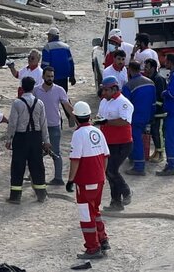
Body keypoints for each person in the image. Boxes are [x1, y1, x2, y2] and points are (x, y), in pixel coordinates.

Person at [66, 101, 110, 260]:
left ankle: (93, 247)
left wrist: (71, 180)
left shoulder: (78, 134)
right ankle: (103, 239)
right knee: (95, 210)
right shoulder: (98, 132)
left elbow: (75, 160)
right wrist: (101, 175)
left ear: (76, 117)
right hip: (99, 179)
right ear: (89, 116)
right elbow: (105, 157)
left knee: (86, 215)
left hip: (85, 181)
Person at [5, 76, 50, 204]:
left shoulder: (17, 103)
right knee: (37, 165)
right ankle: (41, 195)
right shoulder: (39, 103)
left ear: (22, 88)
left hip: (21, 137)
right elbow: (43, 123)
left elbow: (13, 123)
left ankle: (15, 197)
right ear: (33, 87)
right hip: (36, 137)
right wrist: (46, 141)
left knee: (18, 166)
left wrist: (9, 139)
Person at [95, 76, 133, 211]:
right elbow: (100, 117)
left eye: (105, 90)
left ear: (114, 89)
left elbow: (124, 121)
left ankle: (126, 191)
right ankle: (116, 202)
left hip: (122, 143)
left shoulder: (124, 103)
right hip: (107, 143)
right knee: (108, 172)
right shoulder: (104, 102)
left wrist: (106, 122)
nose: (103, 93)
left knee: (111, 170)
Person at [34, 66, 74, 185]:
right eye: (48, 76)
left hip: (54, 126)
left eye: (52, 76)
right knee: (36, 153)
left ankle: (58, 178)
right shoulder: (36, 90)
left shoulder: (59, 90)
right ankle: (36, 176)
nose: (50, 78)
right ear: (43, 76)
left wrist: (78, 119)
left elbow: (67, 106)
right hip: (39, 127)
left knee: (56, 153)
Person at [122, 61, 156, 176]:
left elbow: (125, 105)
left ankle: (139, 167)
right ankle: (134, 158)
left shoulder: (129, 86)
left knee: (136, 141)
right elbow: (153, 103)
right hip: (147, 116)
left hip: (135, 118)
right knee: (139, 140)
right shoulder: (150, 82)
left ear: (130, 70)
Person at [144, 58, 167, 163]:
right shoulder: (151, 78)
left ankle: (161, 154)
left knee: (158, 132)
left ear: (153, 68)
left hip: (159, 112)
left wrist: (154, 106)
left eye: (147, 67)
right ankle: (156, 151)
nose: (145, 69)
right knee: (154, 132)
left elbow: (161, 97)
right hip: (153, 111)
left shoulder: (159, 79)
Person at [41, 27, 75, 92]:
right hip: (64, 77)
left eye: (48, 36)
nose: (48, 38)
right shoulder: (66, 46)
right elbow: (71, 62)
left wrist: (43, 76)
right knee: (63, 95)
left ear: (51, 36)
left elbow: (45, 65)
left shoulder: (47, 47)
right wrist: (72, 76)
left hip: (51, 78)